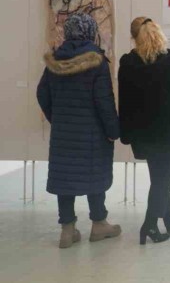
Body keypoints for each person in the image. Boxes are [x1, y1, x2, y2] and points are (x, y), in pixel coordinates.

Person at [36, 13, 121, 248]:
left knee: (65, 178)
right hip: (92, 134)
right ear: (90, 32)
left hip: (63, 135)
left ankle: (67, 230)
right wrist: (113, 130)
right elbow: (104, 101)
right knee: (95, 175)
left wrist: (57, 118)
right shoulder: (97, 62)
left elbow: (42, 94)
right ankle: (99, 223)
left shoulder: (55, 62)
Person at [118, 17, 170, 245]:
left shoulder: (128, 66)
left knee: (159, 177)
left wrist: (127, 133)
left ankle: (169, 218)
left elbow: (125, 103)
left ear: (134, 38)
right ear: (158, 33)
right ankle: (149, 225)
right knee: (162, 181)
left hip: (144, 135)